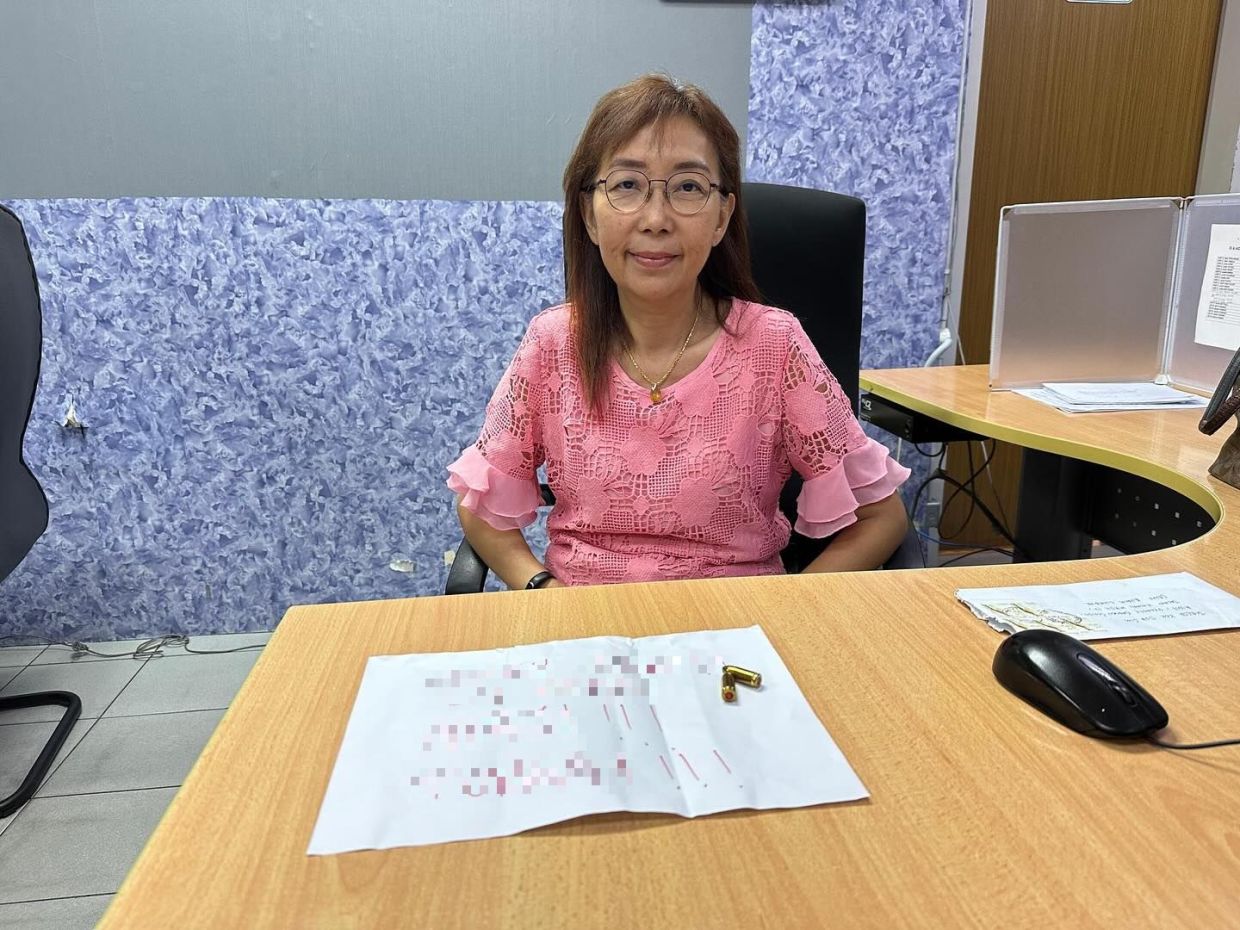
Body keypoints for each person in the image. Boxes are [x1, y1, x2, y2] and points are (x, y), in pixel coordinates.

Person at [448, 74, 910, 590]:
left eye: (688, 187)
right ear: (589, 216)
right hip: (585, 622)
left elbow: (881, 518)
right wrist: (539, 588)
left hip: (733, 623)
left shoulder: (773, 346)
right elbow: (479, 505)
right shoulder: (553, 343)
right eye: (627, 185)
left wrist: (788, 610)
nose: (656, 219)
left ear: (721, 217)